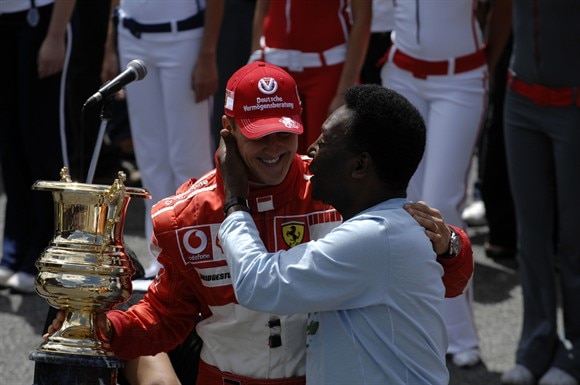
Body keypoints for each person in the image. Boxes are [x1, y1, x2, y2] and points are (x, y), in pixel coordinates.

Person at [47, 62, 473, 385]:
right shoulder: (185, 216)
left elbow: (432, 273)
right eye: (258, 134)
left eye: (285, 133)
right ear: (228, 132)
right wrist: (105, 328)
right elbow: (167, 316)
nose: (275, 148)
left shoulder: (337, 190)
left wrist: (449, 247)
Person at [217, 83, 448, 384]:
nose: (309, 149)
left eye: (324, 141)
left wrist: (235, 200)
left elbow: (258, 284)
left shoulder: (375, 237)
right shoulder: (388, 227)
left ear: (360, 165)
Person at [379, 0, 513, 367]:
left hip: (461, 79)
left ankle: (459, 334)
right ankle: (413, 329)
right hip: (402, 74)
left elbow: (504, 7)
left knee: (441, 205)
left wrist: (488, 65)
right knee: (401, 204)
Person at [101, 0, 224, 278]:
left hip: (184, 38)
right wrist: (110, 46)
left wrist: (207, 54)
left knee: (189, 161)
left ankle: (201, 263)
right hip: (131, 36)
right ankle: (161, 262)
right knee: (150, 159)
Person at [499, 1, 580, 384]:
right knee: (530, 234)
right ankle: (535, 342)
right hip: (521, 101)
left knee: (574, 239)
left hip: (574, 106)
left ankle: (577, 349)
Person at [0, 0, 76, 293]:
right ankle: (16, 245)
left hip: (42, 17)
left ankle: (50, 247)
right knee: (10, 140)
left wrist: (55, 35)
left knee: (42, 139)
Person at [250, 0, 371, 154]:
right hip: (275, 72)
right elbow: (262, 8)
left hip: (328, 72)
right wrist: (255, 63)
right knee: (276, 155)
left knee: (323, 156)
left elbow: (363, 18)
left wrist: (344, 90)